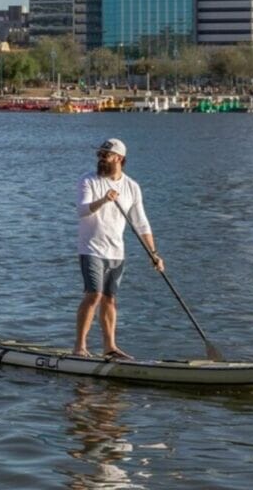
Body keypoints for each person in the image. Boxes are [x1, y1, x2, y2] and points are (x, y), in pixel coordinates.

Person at [73, 138, 163, 360]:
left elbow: (141, 223)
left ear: (119, 159)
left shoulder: (132, 187)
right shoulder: (89, 180)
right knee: (94, 294)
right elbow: (82, 210)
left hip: (116, 251)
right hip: (91, 248)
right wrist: (103, 200)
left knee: (110, 299)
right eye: (100, 154)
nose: (101, 158)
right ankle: (79, 347)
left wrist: (154, 253)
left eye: (106, 155)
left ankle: (109, 347)